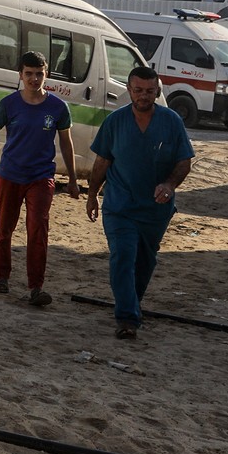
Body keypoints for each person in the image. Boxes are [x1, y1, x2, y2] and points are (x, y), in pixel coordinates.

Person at [87, 65, 194, 339]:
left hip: (155, 210)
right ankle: (127, 318)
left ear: (157, 91)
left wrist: (169, 185)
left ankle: (131, 303)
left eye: (149, 91)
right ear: (128, 90)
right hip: (119, 205)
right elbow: (102, 162)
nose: (143, 96)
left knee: (145, 262)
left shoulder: (171, 122)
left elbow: (184, 162)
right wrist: (92, 195)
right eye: (138, 91)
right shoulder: (115, 122)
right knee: (122, 254)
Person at [0, 51, 79, 307]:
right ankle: (1, 277)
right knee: (4, 228)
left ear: (46, 74)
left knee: (38, 229)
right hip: (9, 174)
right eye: (28, 74)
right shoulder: (8, 104)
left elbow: (66, 143)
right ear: (20, 75)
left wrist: (72, 179)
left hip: (41, 177)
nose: (34, 79)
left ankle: (36, 287)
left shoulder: (58, 108)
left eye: (39, 74)